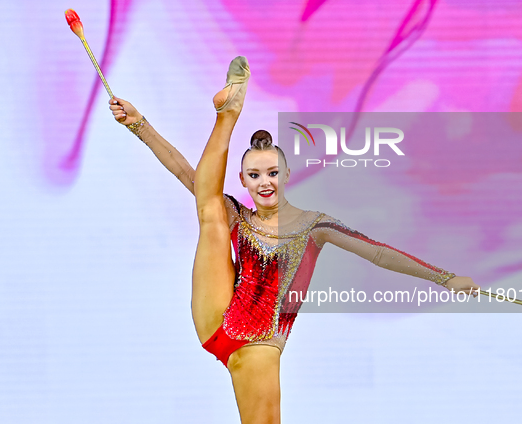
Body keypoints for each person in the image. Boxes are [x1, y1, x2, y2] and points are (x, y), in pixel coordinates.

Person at [109, 56, 480, 424]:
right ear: (243, 181)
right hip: (237, 327)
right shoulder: (240, 216)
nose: (264, 181)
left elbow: (379, 254)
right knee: (210, 209)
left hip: (243, 341)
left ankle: (228, 113)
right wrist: (139, 124)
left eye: (272, 172)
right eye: (254, 175)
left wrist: (444, 278)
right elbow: (181, 168)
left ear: (287, 174)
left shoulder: (314, 225)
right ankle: (228, 115)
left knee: (211, 206)